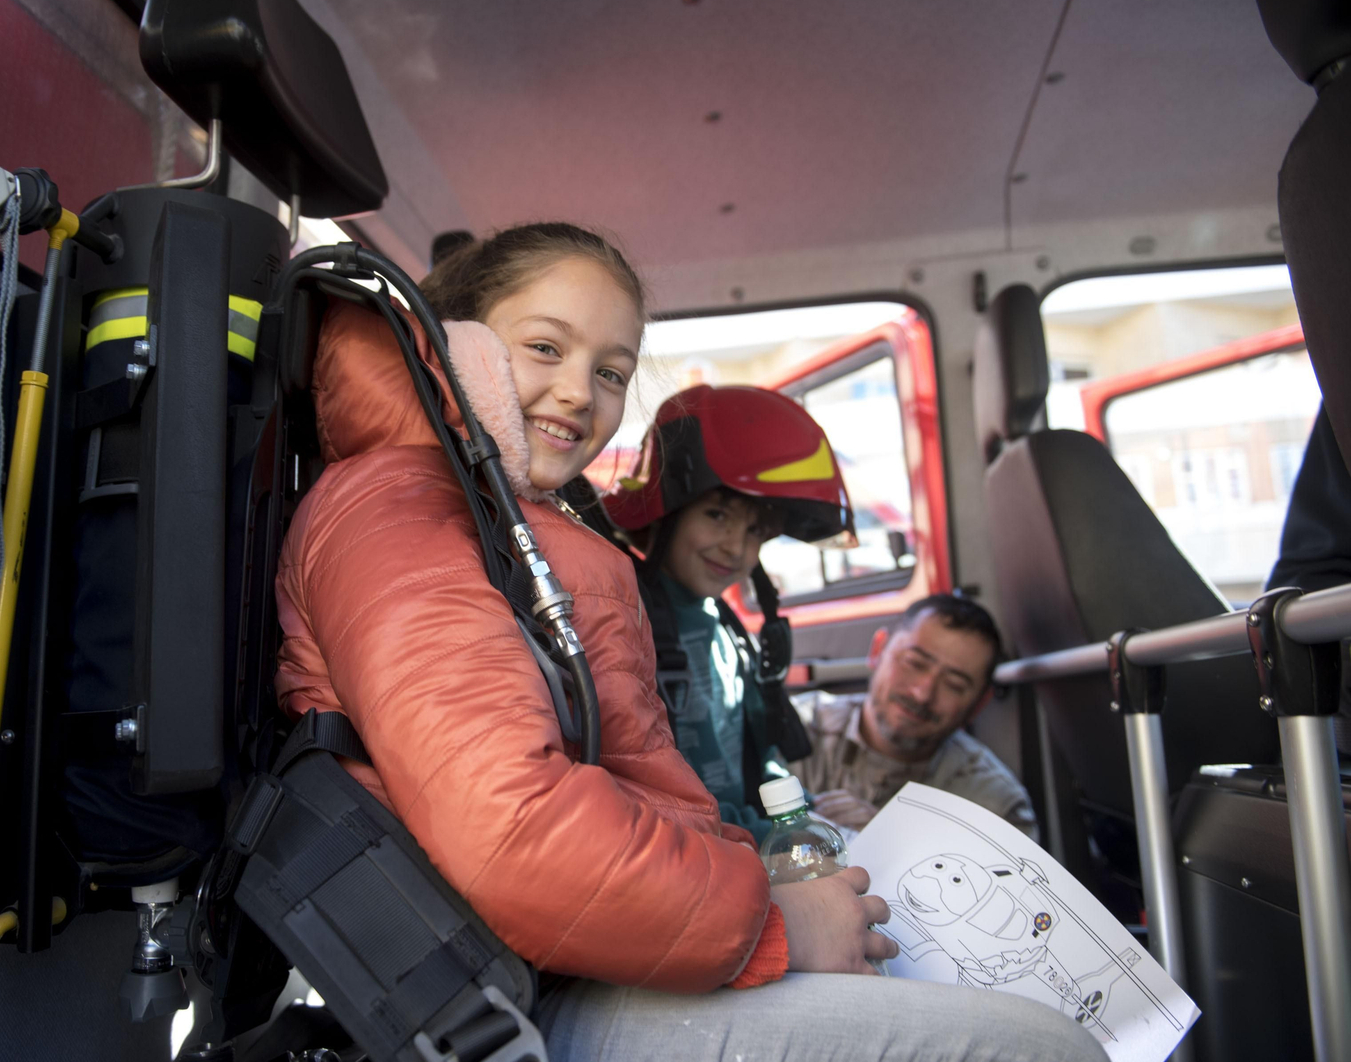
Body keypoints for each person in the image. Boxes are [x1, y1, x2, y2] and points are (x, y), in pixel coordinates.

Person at [272, 222, 1106, 1061]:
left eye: (608, 373)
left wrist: (766, 875)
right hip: (501, 997)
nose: (575, 392)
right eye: (543, 348)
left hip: (569, 954)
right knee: (1049, 1048)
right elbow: (513, 836)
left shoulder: (496, 519)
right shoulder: (401, 512)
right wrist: (772, 923)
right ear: (451, 337)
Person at [597, 384, 857, 845]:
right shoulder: (627, 624)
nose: (737, 547)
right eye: (717, 515)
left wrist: (804, 816)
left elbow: (758, 758)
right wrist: (780, 837)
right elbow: (667, 799)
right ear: (667, 512)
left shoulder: (728, 631)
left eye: (755, 529)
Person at [792, 595, 1041, 841]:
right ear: (878, 650)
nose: (923, 693)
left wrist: (894, 845)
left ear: (979, 704)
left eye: (954, 685)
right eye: (914, 663)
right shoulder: (790, 729)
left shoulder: (994, 805)